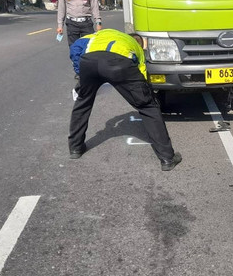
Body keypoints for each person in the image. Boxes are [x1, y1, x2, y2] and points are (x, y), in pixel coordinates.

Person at [68, 29, 182, 171]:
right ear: (138, 43)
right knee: (148, 107)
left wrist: (80, 73)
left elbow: (75, 48)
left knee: (83, 102)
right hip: (118, 63)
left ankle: (75, 148)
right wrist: (148, 95)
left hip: (89, 62)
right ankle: (167, 158)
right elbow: (142, 77)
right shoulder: (137, 49)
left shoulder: (102, 34)